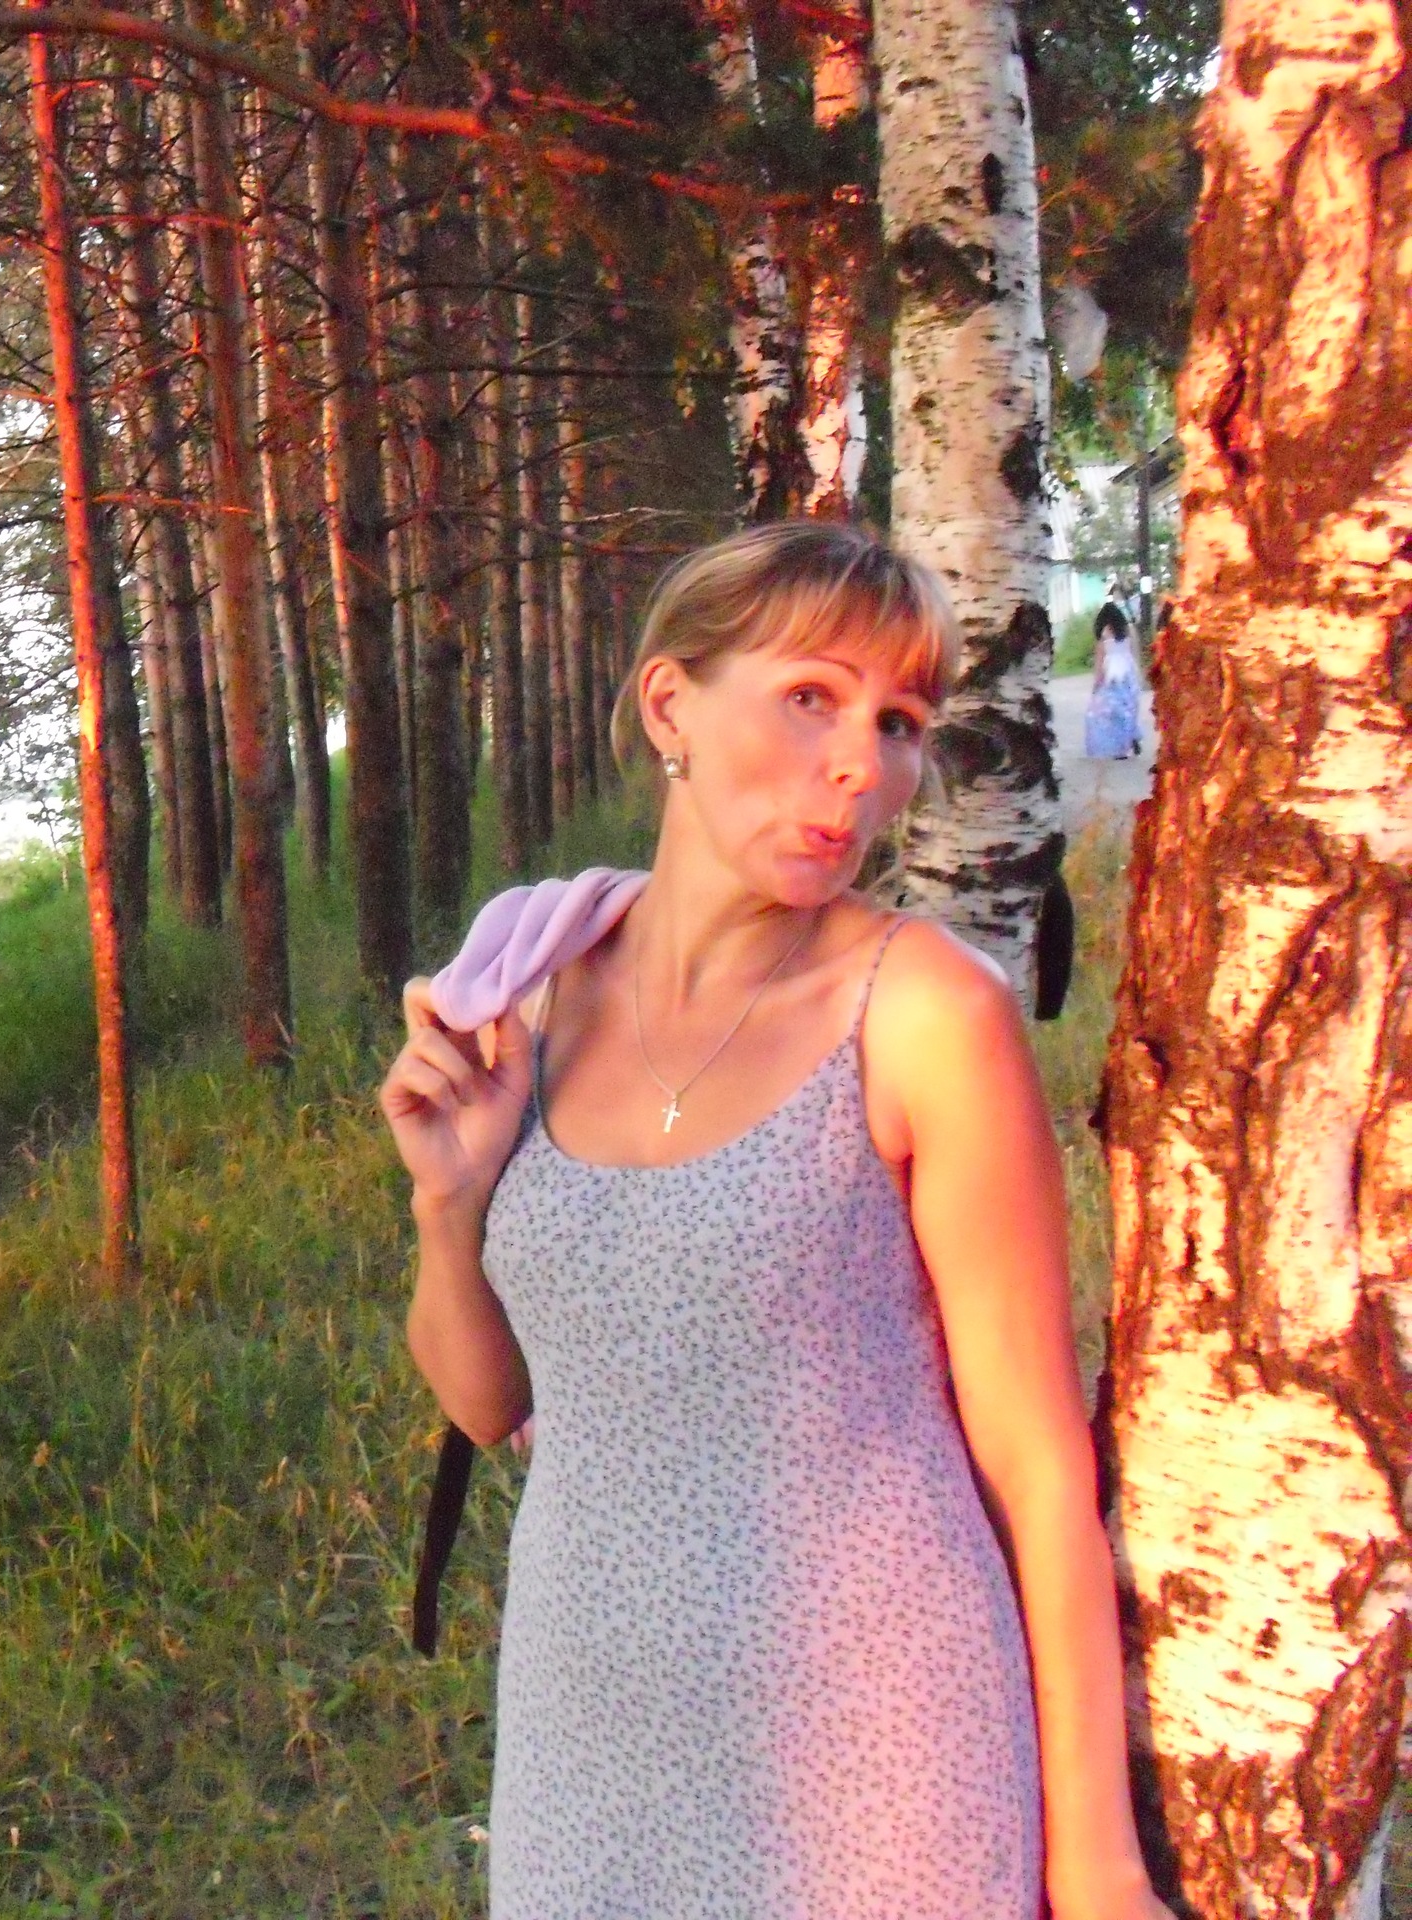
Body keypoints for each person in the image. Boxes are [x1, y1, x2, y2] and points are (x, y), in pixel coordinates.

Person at [377, 521, 1168, 1920]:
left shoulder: (924, 1015)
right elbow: (490, 1403)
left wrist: (1098, 1869)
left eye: (899, 721)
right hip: (586, 1727)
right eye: (811, 696)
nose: (863, 764)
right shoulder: (533, 989)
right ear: (669, 706)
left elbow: (1039, 1462)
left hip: (870, 1755)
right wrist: (449, 1202)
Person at [1085, 600, 1146, 760]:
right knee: (1130, 709)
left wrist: (1096, 685)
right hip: (1128, 672)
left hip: (1112, 674)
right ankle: (1131, 738)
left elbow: (1100, 662)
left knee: (1112, 713)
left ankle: (1120, 746)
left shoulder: (1104, 635)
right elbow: (1134, 652)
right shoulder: (1129, 630)